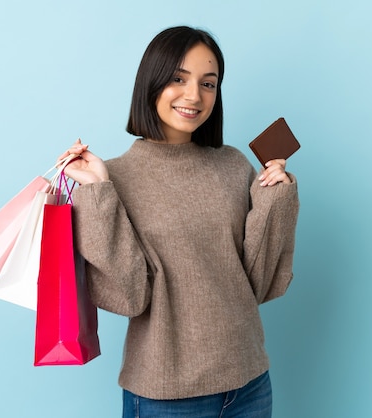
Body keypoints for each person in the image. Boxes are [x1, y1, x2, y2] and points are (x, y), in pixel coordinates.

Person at [58, 26, 299, 418]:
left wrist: (277, 197)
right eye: (178, 79)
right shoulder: (114, 179)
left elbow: (257, 283)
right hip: (165, 395)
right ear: (151, 82)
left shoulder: (234, 165)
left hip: (250, 382)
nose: (194, 96)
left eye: (208, 83)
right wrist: (99, 190)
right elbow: (129, 297)